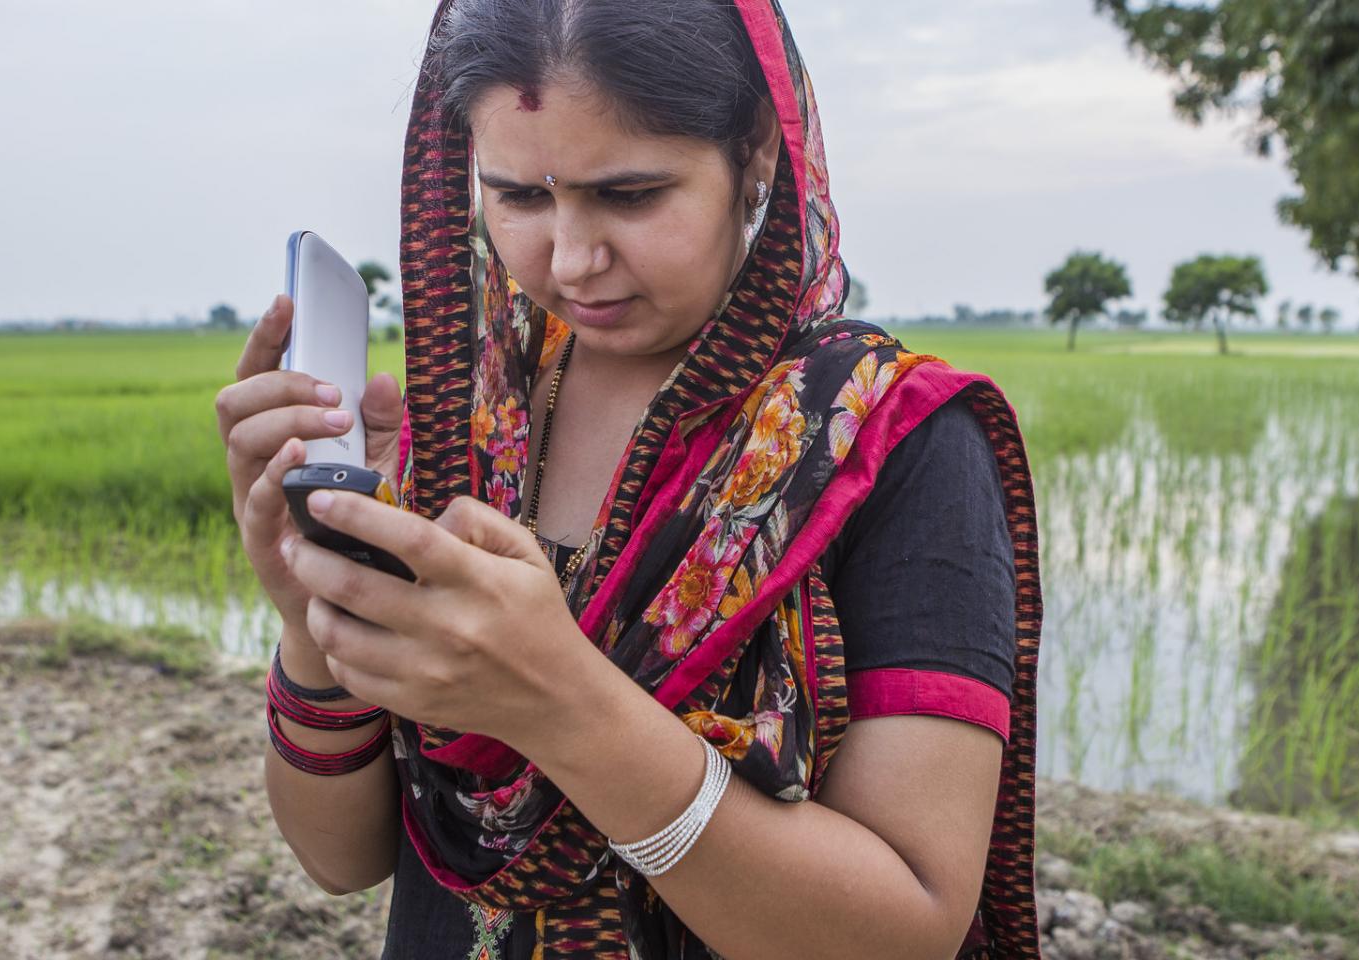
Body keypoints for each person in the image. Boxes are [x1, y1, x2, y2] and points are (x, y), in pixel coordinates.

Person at [213, 1, 1043, 956]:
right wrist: (312, 614)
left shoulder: (890, 446)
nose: (571, 260)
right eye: (519, 197)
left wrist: (559, 702)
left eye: (632, 194)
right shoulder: (466, 430)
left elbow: (906, 935)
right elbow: (342, 860)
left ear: (758, 152)